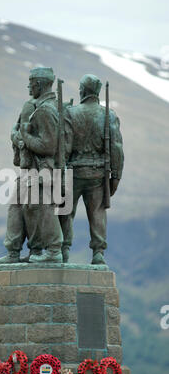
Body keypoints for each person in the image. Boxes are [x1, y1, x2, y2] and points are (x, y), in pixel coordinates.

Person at [0, 67, 63, 265]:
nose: (28, 87)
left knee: (39, 208)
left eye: (31, 83)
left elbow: (48, 146)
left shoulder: (47, 110)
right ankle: (13, 252)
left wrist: (26, 137)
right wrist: (21, 137)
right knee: (16, 206)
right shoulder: (32, 106)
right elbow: (16, 129)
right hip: (28, 167)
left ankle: (51, 249)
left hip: (42, 168)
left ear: (39, 84)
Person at [63, 74, 124, 264]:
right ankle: (98, 253)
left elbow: (64, 146)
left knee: (65, 212)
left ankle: (63, 250)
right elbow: (116, 148)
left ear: (83, 90)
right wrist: (116, 176)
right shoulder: (109, 115)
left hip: (74, 172)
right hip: (98, 173)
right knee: (97, 212)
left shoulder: (70, 113)